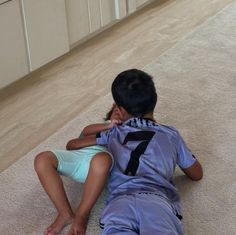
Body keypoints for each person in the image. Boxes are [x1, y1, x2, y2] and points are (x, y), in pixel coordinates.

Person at [67, 68, 203, 235]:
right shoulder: (171, 135)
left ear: (121, 110)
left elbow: (72, 145)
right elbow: (196, 173)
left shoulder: (112, 133)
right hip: (157, 202)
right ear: (155, 99)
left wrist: (108, 125)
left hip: (119, 203)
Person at [34, 105, 122, 235]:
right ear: (109, 116)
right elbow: (71, 145)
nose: (120, 115)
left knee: (101, 159)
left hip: (101, 165)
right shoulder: (100, 128)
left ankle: (83, 215)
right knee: (42, 159)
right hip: (79, 157)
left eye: (124, 112)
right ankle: (65, 213)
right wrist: (106, 129)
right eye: (116, 111)